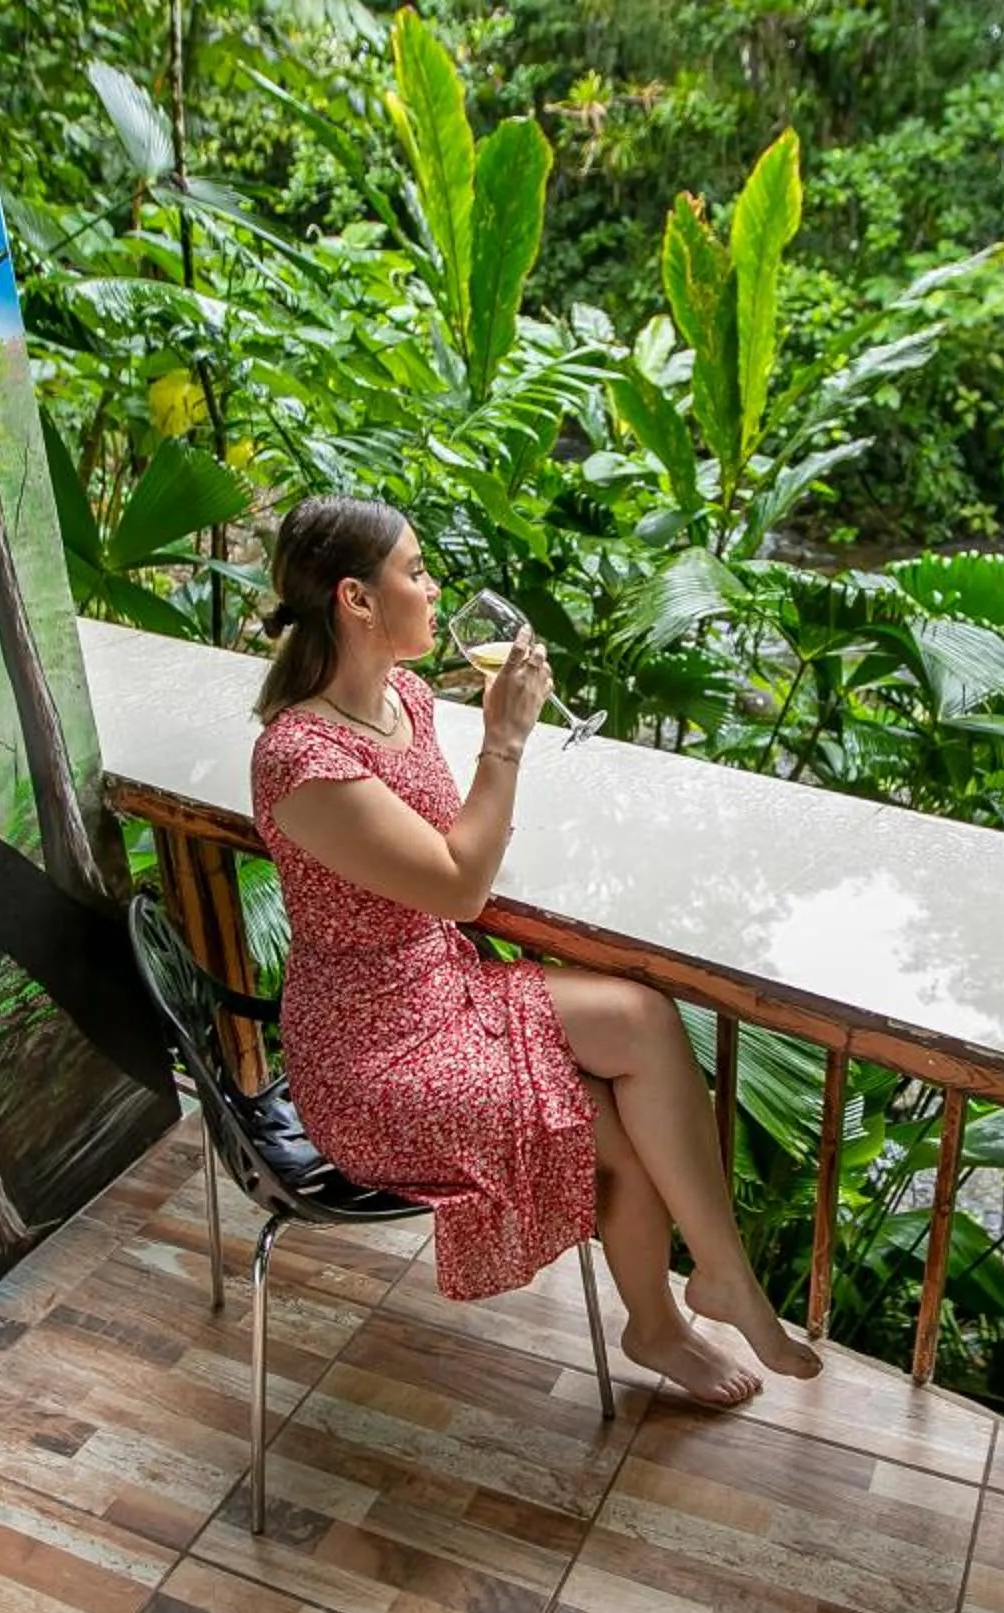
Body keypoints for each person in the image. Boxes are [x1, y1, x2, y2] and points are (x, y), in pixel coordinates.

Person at [247, 496, 819, 1406]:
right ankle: (658, 1327)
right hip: (369, 1052)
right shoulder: (301, 760)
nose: (434, 590)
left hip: (442, 986)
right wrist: (507, 736)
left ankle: (720, 1273)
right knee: (610, 1127)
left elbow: (441, 846)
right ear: (357, 601)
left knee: (643, 1017)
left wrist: (497, 751)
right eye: (417, 571)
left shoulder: (408, 698)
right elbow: (458, 887)